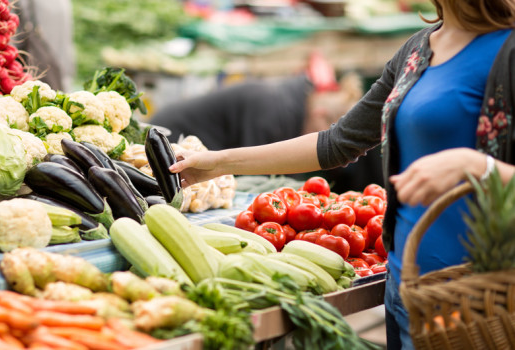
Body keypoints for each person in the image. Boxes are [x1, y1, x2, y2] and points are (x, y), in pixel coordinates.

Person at [167, 1, 515, 349]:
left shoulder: (507, 50)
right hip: (407, 289)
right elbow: (336, 142)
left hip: (482, 297)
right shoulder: (417, 49)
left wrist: (480, 167)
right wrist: (216, 162)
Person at [150, 59, 384, 193]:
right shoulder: (273, 111)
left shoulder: (292, 101)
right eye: (328, 131)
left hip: (203, 148)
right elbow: (255, 171)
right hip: (169, 137)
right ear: (320, 114)